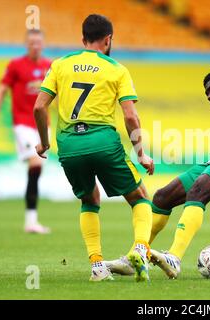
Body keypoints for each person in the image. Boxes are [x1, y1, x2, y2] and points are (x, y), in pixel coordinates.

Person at [106, 70, 210, 279]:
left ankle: (174, 257)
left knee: (198, 190)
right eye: (207, 95)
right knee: (162, 197)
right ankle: (136, 256)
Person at [33, 14, 154, 282]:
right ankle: (140, 249)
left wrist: (44, 141)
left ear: (82, 39)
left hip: (69, 145)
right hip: (103, 142)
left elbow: (39, 106)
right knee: (140, 197)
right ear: (108, 39)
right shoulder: (116, 69)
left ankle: (97, 266)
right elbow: (131, 116)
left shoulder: (60, 64)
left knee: (89, 199)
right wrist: (141, 153)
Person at [0, 29, 51, 234]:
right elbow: (0, 92)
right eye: (31, 43)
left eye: (38, 43)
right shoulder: (16, 65)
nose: (35, 46)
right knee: (35, 163)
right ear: (26, 44)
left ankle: (31, 221)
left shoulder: (49, 66)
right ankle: (31, 221)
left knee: (37, 168)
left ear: (42, 44)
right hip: (23, 123)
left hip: (43, 126)